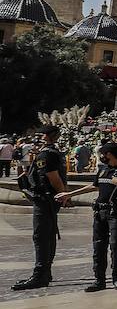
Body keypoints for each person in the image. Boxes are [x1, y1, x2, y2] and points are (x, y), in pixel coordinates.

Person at [56, 141, 117, 292]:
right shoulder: (104, 169)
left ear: (109, 154)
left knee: (116, 246)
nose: (102, 157)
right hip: (100, 213)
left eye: (103, 154)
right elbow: (94, 186)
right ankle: (99, 280)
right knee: (98, 247)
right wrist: (69, 194)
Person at [12, 124, 68, 291]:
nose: (38, 138)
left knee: (41, 237)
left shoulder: (46, 154)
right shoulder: (54, 152)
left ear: (47, 137)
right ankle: (46, 272)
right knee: (48, 235)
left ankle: (40, 275)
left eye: (41, 135)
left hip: (44, 199)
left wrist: (62, 194)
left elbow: (53, 177)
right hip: (49, 199)